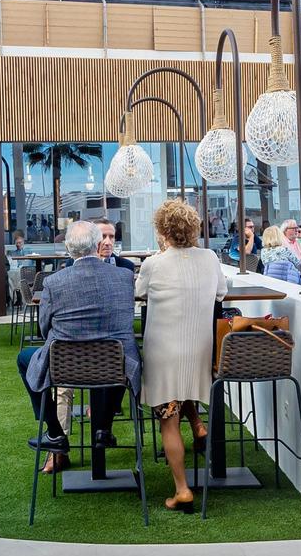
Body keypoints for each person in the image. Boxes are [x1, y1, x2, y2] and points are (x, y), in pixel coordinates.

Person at [17, 220, 139, 475]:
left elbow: (44, 327)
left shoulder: (54, 282)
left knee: (25, 359)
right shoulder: (125, 277)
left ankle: (54, 432)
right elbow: (126, 319)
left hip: (67, 367)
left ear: (68, 249)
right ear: (97, 245)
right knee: (123, 352)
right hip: (114, 366)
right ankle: (103, 428)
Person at [135, 200, 230, 512]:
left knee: (168, 420)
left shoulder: (154, 264)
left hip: (164, 354)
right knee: (184, 396)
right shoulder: (210, 258)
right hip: (201, 352)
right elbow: (221, 293)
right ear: (194, 229)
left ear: (163, 231)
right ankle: (199, 428)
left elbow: (140, 293)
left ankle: (182, 489)